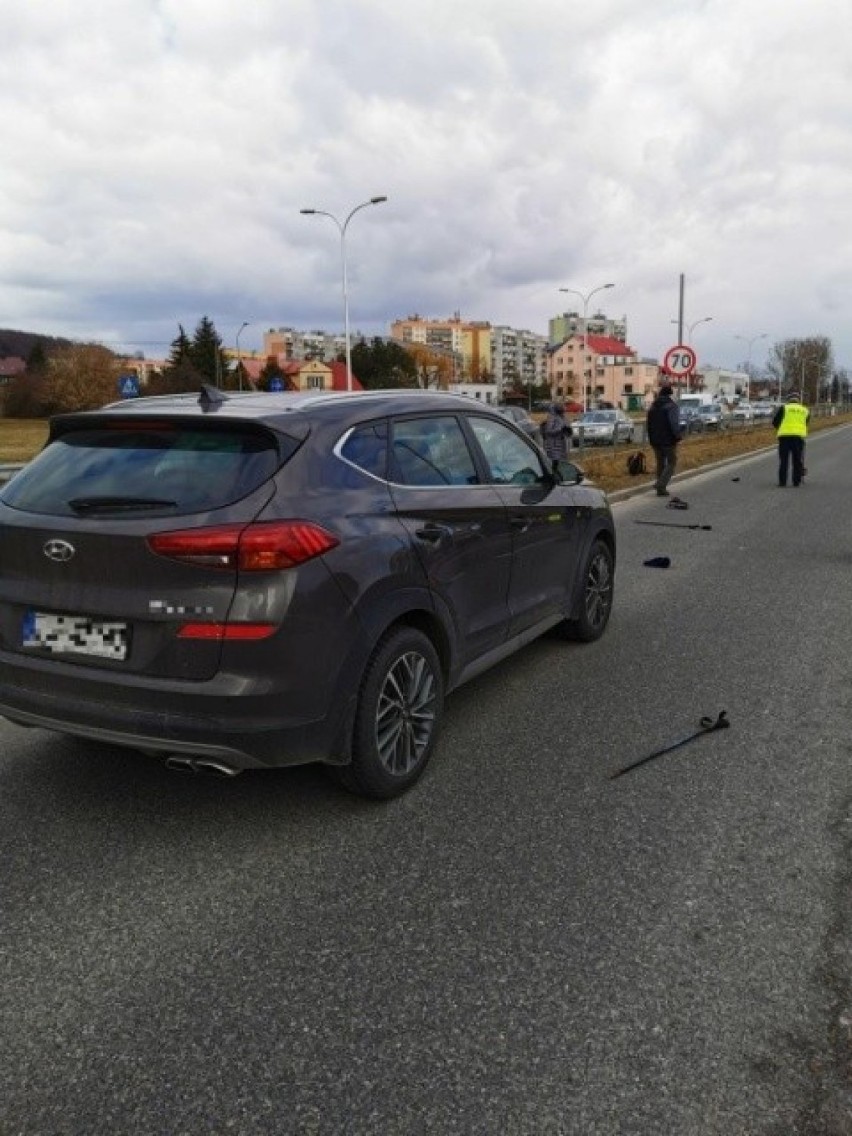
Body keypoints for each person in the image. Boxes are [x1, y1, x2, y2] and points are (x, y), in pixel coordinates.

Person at [645, 383, 684, 497]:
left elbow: (649, 424)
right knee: (672, 462)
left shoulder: (653, 406)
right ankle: (660, 484)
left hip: (655, 440)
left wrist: (651, 438)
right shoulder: (671, 406)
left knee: (660, 463)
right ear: (670, 395)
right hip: (668, 440)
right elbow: (674, 424)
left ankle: (660, 490)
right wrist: (678, 436)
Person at [772, 391, 809, 487]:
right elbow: (806, 423)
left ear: (789, 400)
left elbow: (775, 422)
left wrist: (780, 428)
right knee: (797, 460)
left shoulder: (784, 408)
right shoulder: (804, 410)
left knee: (784, 460)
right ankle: (796, 481)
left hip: (784, 437)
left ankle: (782, 482)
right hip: (798, 437)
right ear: (798, 400)